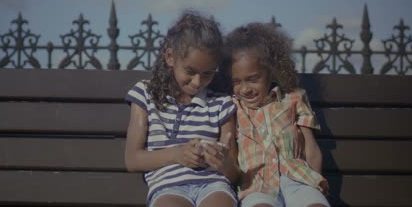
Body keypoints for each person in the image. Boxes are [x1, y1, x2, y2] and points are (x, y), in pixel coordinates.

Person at [124, 11, 240, 207]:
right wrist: (177, 154)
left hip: (214, 185)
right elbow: (132, 159)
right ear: (170, 57)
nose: (197, 82)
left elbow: (234, 173)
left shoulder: (222, 104)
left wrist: (223, 162)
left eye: (208, 73)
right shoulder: (145, 94)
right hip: (168, 187)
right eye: (190, 71)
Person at [223, 23, 330, 207]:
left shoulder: (294, 98)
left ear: (271, 72)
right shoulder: (233, 108)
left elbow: (311, 148)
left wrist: (315, 187)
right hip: (258, 187)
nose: (245, 89)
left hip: (299, 181)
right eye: (237, 82)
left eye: (253, 79)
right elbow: (231, 157)